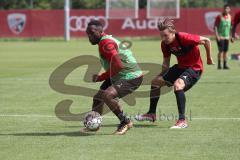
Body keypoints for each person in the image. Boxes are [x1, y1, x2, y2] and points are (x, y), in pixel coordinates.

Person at [135, 18, 214, 129]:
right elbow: (166, 64)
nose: (163, 38)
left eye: (166, 35)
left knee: (178, 85)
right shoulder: (165, 44)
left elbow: (206, 40)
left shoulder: (183, 37)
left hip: (194, 68)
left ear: (173, 32)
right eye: (161, 36)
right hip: (180, 68)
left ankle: (182, 121)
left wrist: (209, 58)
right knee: (155, 81)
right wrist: (158, 75)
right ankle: (151, 113)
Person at [82, 20, 143, 135]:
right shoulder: (104, 41)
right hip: (119, 74)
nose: (90, 36)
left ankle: (125, 122)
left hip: (131, 76)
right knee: (98, 98)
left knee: (108, 95)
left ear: (100, 32)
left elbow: (119, 66)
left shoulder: (106, 43)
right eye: (88, 33)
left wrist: (101, 77)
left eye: (92, 33)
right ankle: (94, 125)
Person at [214, 4, 232, 69]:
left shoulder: (230, 17)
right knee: (220, 51)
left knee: (225, 51)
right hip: (220, 37)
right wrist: (217, 35)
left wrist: (232, 36)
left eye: (227, 9)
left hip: (227, 37)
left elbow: (230, 27)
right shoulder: (219, 16)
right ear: (223, 9)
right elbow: (215, 26)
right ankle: (219, 65)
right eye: (225, 9)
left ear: (229, 10)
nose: (226, 10)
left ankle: (225, 65)